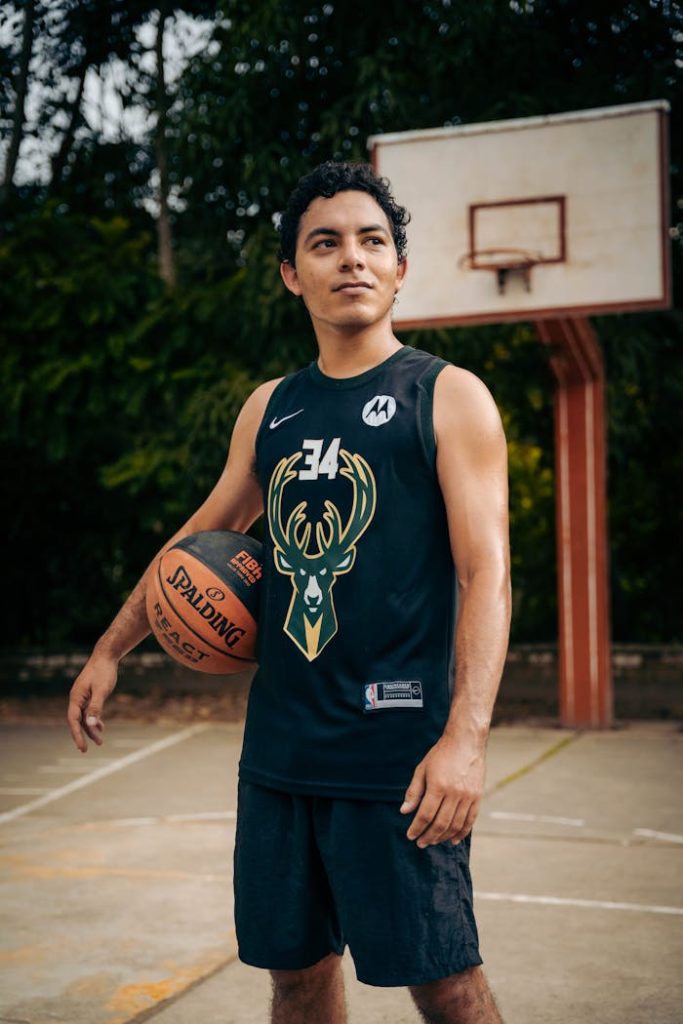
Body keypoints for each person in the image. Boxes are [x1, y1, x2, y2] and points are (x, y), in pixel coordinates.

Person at [68, 161, 511, 1024]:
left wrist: (466, 738)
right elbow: (193, 545)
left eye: (372, 241)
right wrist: (109, 647)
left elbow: (484, 570)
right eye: (326, 243)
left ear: (399, 268)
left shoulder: (447, 396)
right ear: (290, 273)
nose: (352, 259)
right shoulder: (270, 408)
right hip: (278, 752)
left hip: (397, 754)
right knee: (295, 976)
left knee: (444, 979)